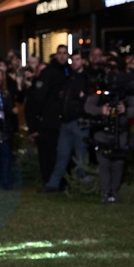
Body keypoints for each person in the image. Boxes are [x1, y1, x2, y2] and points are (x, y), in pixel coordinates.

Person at [84, 67, 134, 203]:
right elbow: (88, 107)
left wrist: (125, 110)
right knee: (104, 163)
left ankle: (114, 193)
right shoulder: (101, 91)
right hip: (102, 131)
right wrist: (101, 110)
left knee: (118, 163)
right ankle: (105, 193)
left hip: (120, 132)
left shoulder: (127, 93)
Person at [41, 50, 90, 192]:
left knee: (80, 155)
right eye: (73, 60)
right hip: (66, 122)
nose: (74, 62)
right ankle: (54, 184)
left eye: (77, 59)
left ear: (83, 61)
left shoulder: (86, 79)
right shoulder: (69, 79)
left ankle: (81, 185)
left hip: (78, 121)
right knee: (62, 155)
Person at [33, 44, 70, 188]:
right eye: (60, 53)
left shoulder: (67, 71)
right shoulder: (49, 72)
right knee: (49, 152)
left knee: (60, 152)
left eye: (65, 53)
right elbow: (39, 97)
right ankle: (49, 180)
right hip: (51, 120)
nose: (62, 56)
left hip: (62, 119)